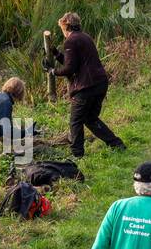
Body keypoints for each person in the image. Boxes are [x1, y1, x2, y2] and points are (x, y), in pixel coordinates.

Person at [44, 12, 125, 158]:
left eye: (62, 27)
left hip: (86, 88)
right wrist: (56, 54)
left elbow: (70, 69)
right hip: (100, 83)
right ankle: (117, 144)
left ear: (66, 25)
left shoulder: (70, 41)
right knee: (90, 119)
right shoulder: (84, 37)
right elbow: (74, 63)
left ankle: (77, 155)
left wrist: (52, 71)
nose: (62, 31)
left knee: (75, 121)